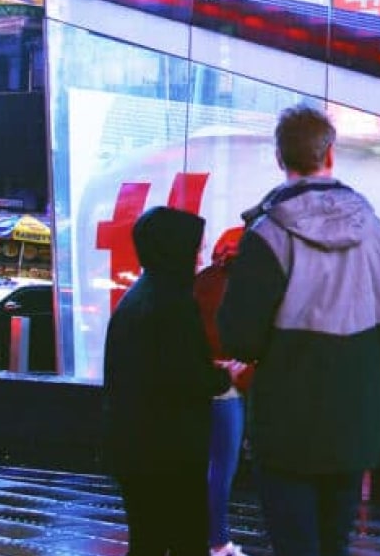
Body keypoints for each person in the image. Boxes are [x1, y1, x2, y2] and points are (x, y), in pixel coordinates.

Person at [217, 106, 380, 556]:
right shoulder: (376, 230)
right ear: (331, 156)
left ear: (280, 158)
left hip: (288, 429)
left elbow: (240, 339)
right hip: (355, 426)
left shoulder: (267, 234)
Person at [105, 207, 232, 556]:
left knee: (147, 541)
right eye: (195, 248)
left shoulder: (137, 298)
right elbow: (187, 377)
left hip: (136, 447)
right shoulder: (175, 304)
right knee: (186, 540)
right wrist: (224, 376)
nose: (200, 256)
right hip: (171, 452)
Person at [192, 232, 253, 556]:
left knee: (206, 466)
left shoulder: (203, 281)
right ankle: (218, 540)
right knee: (221, 467)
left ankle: (207, 536)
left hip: (201, 384)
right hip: (227, 386)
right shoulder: (246, 286)